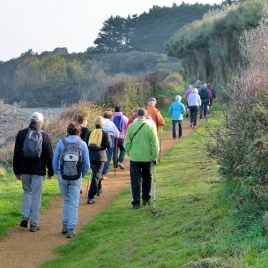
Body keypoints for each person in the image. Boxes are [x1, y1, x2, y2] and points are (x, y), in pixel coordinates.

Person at [13, 112, 54, 232]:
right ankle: (34, 223)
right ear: (40, 123)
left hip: (25, 169)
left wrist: (17, 170)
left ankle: (25, 217)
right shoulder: (44, 136)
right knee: (36, 196)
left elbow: (16, 154)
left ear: (30, 120)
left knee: (27, 192)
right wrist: (50, 171)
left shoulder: (21, 134)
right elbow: (49, 155)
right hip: (39, 170)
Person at [52, 123, 89, 238]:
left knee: (66, 200)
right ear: (79, 132)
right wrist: (81, 175)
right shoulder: (82, 144)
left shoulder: (61, 142)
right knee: (74, 202)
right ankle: (70, 228)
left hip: (63, 175)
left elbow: (55, 159)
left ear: (67, 131)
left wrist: (57, 172)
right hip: (76, 176)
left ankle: (65, 224)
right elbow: (87, 164)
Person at [124, 108, 159, 209]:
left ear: (136, 115)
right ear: (146, 115)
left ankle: (136, 202)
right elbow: (154, 144)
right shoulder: (150, 126)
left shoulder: (131, 126)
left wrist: (129, 152)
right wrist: (154, 156)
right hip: (147, 157)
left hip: (135, 157)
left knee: (135, 179)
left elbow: (126, 142)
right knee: (147, 178)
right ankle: (146, 199)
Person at [85, 116, 112, 204]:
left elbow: (85, 143)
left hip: (90, 156)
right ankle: (91, 196)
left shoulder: (90, 132)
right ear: (103, 124)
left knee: (96, 173)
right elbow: (109, 145)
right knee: (96, 175)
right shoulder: (105, 133)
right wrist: (103, 147)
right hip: (100, 157)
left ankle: (98, 188)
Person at [102, 111, 119, 180]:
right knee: (108, 157)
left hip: (102, 138)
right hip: (110, 139)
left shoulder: (101, 123)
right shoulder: (111, 123)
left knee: (102, 156)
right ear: (110, 117)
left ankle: (99, 171)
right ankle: (104, 173)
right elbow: (117, 134)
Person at [111, 106, 128, 170]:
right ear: (121, 110)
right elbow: (127, 127)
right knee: (123, 149)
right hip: (122, 137)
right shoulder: (125, 118)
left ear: (114, 110)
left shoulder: (112, 118)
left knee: (115, 151)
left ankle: (115, 167)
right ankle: (120, 162)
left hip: (114, 136)